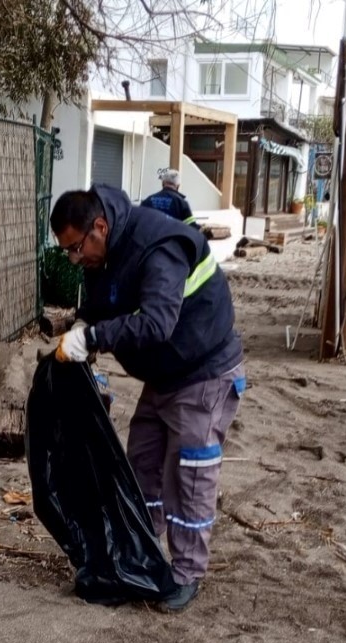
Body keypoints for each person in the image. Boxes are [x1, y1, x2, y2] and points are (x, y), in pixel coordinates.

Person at [50, 185, 244, 614]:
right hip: (163, 375)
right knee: (141, 461)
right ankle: (144, 551)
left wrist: (95, 337)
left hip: (203, 371)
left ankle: (187, 572)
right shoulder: (104, 251)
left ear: (100, 226)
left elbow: (156, 323)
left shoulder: (157, 248)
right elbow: (104, 304)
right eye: (68, 252)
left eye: (77, 248)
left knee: (189, 472)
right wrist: (83, 327)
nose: (75, 259)